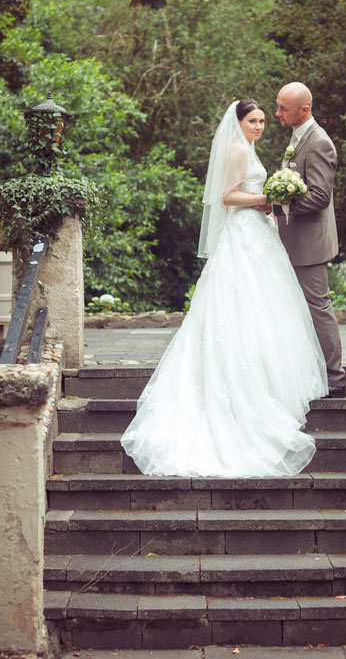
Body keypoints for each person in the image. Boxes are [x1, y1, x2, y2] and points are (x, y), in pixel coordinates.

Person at [121, 98, 327, 477]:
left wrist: (267, 202)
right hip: (243, 235)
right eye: (253, 120)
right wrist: (269, 197)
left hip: (258, 234)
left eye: (264, 120)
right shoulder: (236, 149)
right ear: (239, 122)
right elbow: (228, 197)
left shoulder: (249, 148)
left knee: (261, 309)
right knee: (237, 305)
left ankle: (264, 380)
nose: (260, 126)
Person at [275, 82, 345, 398]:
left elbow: (319, 196)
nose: (277, 113)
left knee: (318, 307)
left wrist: (278, 205)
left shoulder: (319, 143)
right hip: (293, 240)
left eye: (283, 108)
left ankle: (335, 379)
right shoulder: (298, 137)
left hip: (309, 243)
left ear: (304, 109)